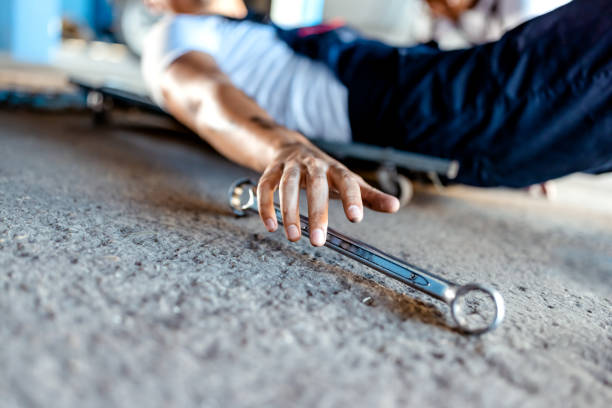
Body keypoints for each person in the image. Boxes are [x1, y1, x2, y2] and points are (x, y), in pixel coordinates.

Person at [141, 0, 611, 247]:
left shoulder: (261, 29)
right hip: (405, 105)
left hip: (422, 82)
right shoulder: (177, 31)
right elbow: (203, 99)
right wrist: (285, 148)